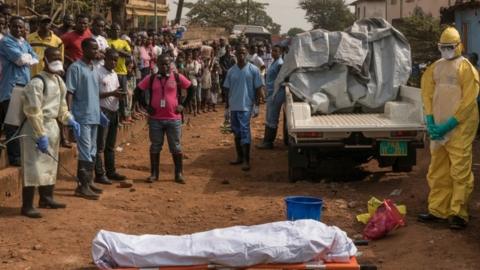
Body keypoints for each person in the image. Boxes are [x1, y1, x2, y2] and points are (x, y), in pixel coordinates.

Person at [419, 27, 479, 230]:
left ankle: (458, 213)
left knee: (459, 171)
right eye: (443, 47)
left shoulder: (466, 68)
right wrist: (430, 119)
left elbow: (469, 101)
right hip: (438, 128)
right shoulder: (435, 67)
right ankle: (438, 210)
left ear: (459, 46)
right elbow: (426, 93)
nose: (446, 50)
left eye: (450, 47)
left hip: (460, 128)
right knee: (437, 170)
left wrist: (451, 123)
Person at [20, 47, 80, 218]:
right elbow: (33, 111)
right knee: (33, 166)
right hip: (35, 127)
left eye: (58, 57)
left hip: (52, 126)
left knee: (50, 165)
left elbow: (62, 107)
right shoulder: (37, 82)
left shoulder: (59, 81)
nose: (56, 60)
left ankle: (46, 198)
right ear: (44, 59)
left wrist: (69, 119)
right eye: (52, 57)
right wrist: (40, 134)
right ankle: (27, 205)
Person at [136, 54, 194, 184]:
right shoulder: (151, 78)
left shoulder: (177, 77)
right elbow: (138, 91)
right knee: (155, 146)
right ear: (157, 64)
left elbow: (191, 89)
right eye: (162, 63)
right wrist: (146, 106)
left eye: (167, 64)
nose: (164, 66)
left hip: (174, 119)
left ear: (170, 64)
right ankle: (154, 174)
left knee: (176, 147)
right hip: (155, 119)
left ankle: (178, 174)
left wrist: (183, 105)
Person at [66, 38, 108, 200]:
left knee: (91, 150)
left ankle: (88, 183)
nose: (96, 52)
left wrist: (99, 112)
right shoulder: (75, 68)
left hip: (94, 115)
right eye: (92, 49)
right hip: (82, 116)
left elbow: (94, 93)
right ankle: (82, 187)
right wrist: (69, 114)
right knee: (84, 150)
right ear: (83, 49)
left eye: (97, 49)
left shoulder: (94, 68)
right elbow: (70, 91)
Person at [0, 16, 38, 166]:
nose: (18, 29)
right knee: (12, 124)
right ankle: (15, 157)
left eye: (21, 27)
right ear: (9, 26)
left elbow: (35, 59)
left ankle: (21, 154)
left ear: (24, 29)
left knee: (23, 122)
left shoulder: (24, 42)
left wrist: (27, 57)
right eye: (15, 26)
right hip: (11, 87)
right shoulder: (6, 42)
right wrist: (27, 57)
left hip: (25, 86)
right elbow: (20, 60)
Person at [223, 44, 264, 171]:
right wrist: (226, 108)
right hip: (234, 106)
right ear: (235, 54)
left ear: (246, 54)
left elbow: (258, 88)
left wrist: (257, 105)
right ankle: (239, 157)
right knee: (236, 132)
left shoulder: (253, 70)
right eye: (239, 53)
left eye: (243, 53)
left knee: (245, 131)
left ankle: (246, 160)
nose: (241, 55)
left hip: (246, 106)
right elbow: (226, 89)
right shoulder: (231, 71)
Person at [94, 48, 127, 185]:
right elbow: (93, 94)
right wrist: (112, 94)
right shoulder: (97, 73)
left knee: (111, 145)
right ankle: (99, 174)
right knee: (100, 145)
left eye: (116, 60)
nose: (114, 62)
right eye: (112, 59)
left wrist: (120, 96)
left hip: (114, 112)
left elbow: (116, 91)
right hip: (103, 112)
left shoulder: (114, 74)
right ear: (105, 59)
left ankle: (111, 171)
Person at [257, 45, 284, 149]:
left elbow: (281, 80)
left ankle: (268, 142)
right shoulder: (274, 62)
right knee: (269, 117)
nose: (273, 52)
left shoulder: (280, 64)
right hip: (271, 93)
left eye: (276, 51)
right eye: (272, 50)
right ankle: (266, 141)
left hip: (275, 94)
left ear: (280, 52)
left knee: (272, 118)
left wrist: (274, 93)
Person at [108, 23, 132, 125]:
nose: (116, 31)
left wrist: (116, 51)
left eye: (118, 29)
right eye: (114, 29)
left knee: (122, 96)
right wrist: (119, 52)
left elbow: (129, 55)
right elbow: (107, 53)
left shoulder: (123, 42)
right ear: (110, 30)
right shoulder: (107, 41)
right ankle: (113, 119)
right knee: (111, 96)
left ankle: (121, 117)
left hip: (121, 72)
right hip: (109, 72)